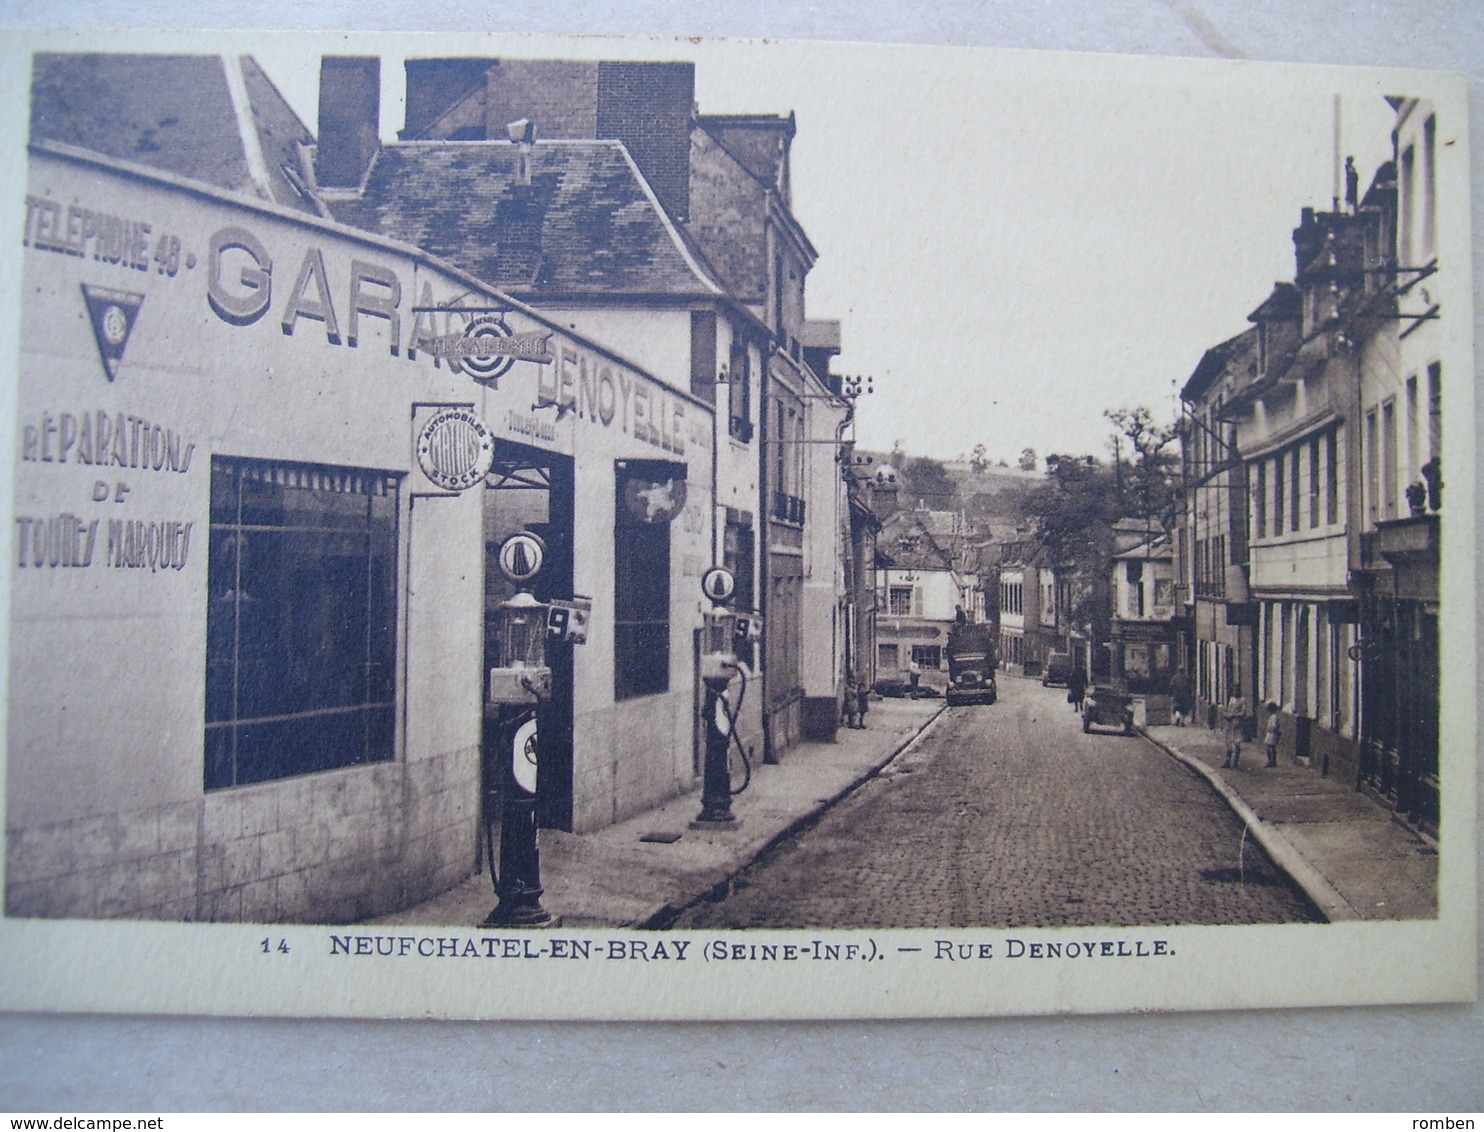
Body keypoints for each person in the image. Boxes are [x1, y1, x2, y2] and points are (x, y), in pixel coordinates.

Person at [1221, 690, 1249, 769]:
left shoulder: (1242, 700)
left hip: (1237, 724)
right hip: (1229, 724)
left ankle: (1235, 762)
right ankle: (1227, 761)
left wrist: (1233, 715)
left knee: (1236, 742)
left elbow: (1243, 712)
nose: (1235, 692)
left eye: (1237, 689)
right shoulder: (1232, 699)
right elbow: (1229, 709)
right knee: (1228, 742)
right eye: (1234, 689)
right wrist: (1226, 713)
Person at [1263, 702, 1281, 768]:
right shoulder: (1273, 716)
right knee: (1270, 747)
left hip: (1272, 733)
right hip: (1270, 733)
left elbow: (1274, 726)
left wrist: (1270, 729)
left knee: (1270, 747)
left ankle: (1271, 761)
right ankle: (1272, 761)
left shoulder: (1274, 717)